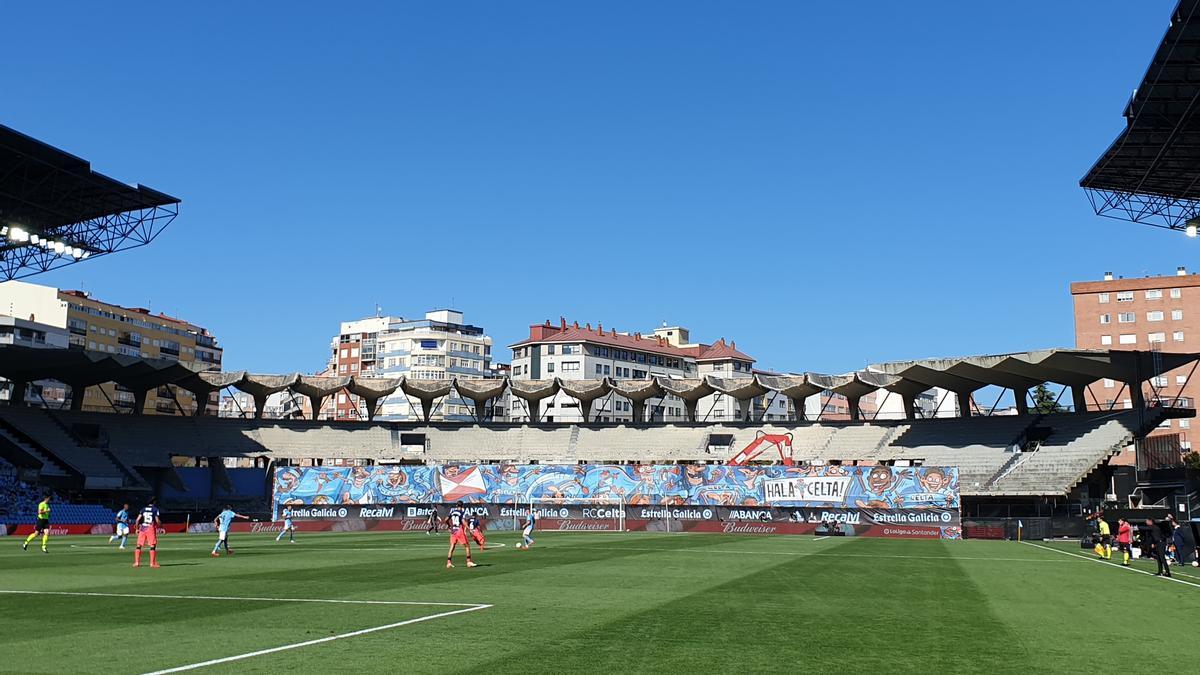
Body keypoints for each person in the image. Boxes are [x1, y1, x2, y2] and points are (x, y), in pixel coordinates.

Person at [444, 501, 476, 569]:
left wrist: (449, 526)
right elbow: (463, 521)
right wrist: (469, 529)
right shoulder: (462, 512)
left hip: (453, 531)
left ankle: (448, 563)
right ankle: (469, 562)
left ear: (456, 505)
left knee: (452, 546)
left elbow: (446, 519)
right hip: (459, 530)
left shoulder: (452, 512)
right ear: (462, 506)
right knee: (467, 546)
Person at [133, 497, 161, 568]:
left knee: (139, 545)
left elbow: (137, 520)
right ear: (154, 502)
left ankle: (136, 563)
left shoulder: (143, 509)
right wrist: (161, 526)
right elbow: (157, 521)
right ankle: (152, 563)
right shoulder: (155, 509)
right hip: (150, 527)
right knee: (152, 545)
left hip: (143, 527)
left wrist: (136, 529)